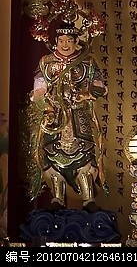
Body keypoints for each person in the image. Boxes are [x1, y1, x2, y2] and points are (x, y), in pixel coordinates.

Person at [29, 20, 108, 212]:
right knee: (52, 156)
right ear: (55, 41)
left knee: (85, 154)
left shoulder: (87, 62)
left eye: (69, 40)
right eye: (61, 40)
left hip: (78, 116)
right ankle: (57, 198)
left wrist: (86, 94)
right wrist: (45, 104)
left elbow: (100, 87)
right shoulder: (46, 62)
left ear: (76, 41)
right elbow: (38, 88)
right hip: (54, 115)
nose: (65, 45)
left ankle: (88, 199)